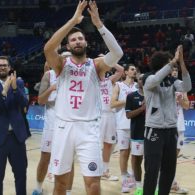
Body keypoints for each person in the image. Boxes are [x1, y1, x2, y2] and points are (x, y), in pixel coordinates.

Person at [43, 1, 123, 194]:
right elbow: (48, 48)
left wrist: (99, 25)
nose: (77, 41)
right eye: (73, 40)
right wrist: (73, 21)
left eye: (80, 38)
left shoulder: (97, 66)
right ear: (68, 45)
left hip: (88, 129)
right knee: (60, 184)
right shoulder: (61, 65)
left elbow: (117, 53)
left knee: (93, 183)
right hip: (64, 127)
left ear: (86, 42)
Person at [142, 45, 192, 195]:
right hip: (154, 129)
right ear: (162, 64)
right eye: (169, 63)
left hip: (171, 130)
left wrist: (181, 62)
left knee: (169, 170)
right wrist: (172, 62)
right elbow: (156, 79)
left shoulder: (173, 81)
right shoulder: (148, 78)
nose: (172, 66)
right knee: (152, 170)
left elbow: (187, 87)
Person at [0, 56, 28, 195]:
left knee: (21, 176)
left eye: (5, 65)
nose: (2, 67)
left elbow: (24, 104)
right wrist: (4, 91)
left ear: (9, 68)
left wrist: (14, 89)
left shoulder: (19, 83)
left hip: (17, 138)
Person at [32, 51, 74, 195]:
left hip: (70, 124)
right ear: (60, 59)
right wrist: (51, 88)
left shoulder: (78, 77)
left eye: (70, 57)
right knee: (45, 157)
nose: (68, 60)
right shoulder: (49, 75)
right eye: (65, 57)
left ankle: (67, 192)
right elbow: (41, 101)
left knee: (69, 161)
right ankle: (38, 188)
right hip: (52, 124)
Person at [110, 64, 137, 193]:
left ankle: (132, 177)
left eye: (135, 70)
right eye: (132, 69)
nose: (134, 71)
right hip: (122, 124)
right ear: (125, 72)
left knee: (136, 154)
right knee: (124, 152)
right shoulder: (119, 86)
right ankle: (125, 179)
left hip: (137, 124)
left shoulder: (139, 86)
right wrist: (128, 100)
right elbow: (112, 104)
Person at [99, 65, 123, 181]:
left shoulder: (109, 80)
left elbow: (121, 70)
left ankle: (104, 171)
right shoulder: (92, 78)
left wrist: (109, 60)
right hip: (98, 115)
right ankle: (94, 170)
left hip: (110, 115)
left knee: (109, 144)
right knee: (96, 145)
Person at [125, 74, 145, 195]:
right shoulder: (131, 96)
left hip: (152, 133)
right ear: (138, 81)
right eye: (141, 78)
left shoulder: (154, 95)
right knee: (137, 160)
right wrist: (142, 109)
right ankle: (138, 187)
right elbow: (128, 115)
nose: (143, 80)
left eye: (145, 78)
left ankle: (152, 186)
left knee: (153, 162)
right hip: (137, 133)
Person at [170, 66, 189, 194]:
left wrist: (180, 100)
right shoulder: (164, 85)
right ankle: (169, 182)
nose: (175, 72)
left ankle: (171, 182)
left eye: (176, 70)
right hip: (168, 124)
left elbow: (187, 106)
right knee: (167, 156)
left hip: (179, 124)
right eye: (173, 70)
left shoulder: (182, 86)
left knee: (174, 157)